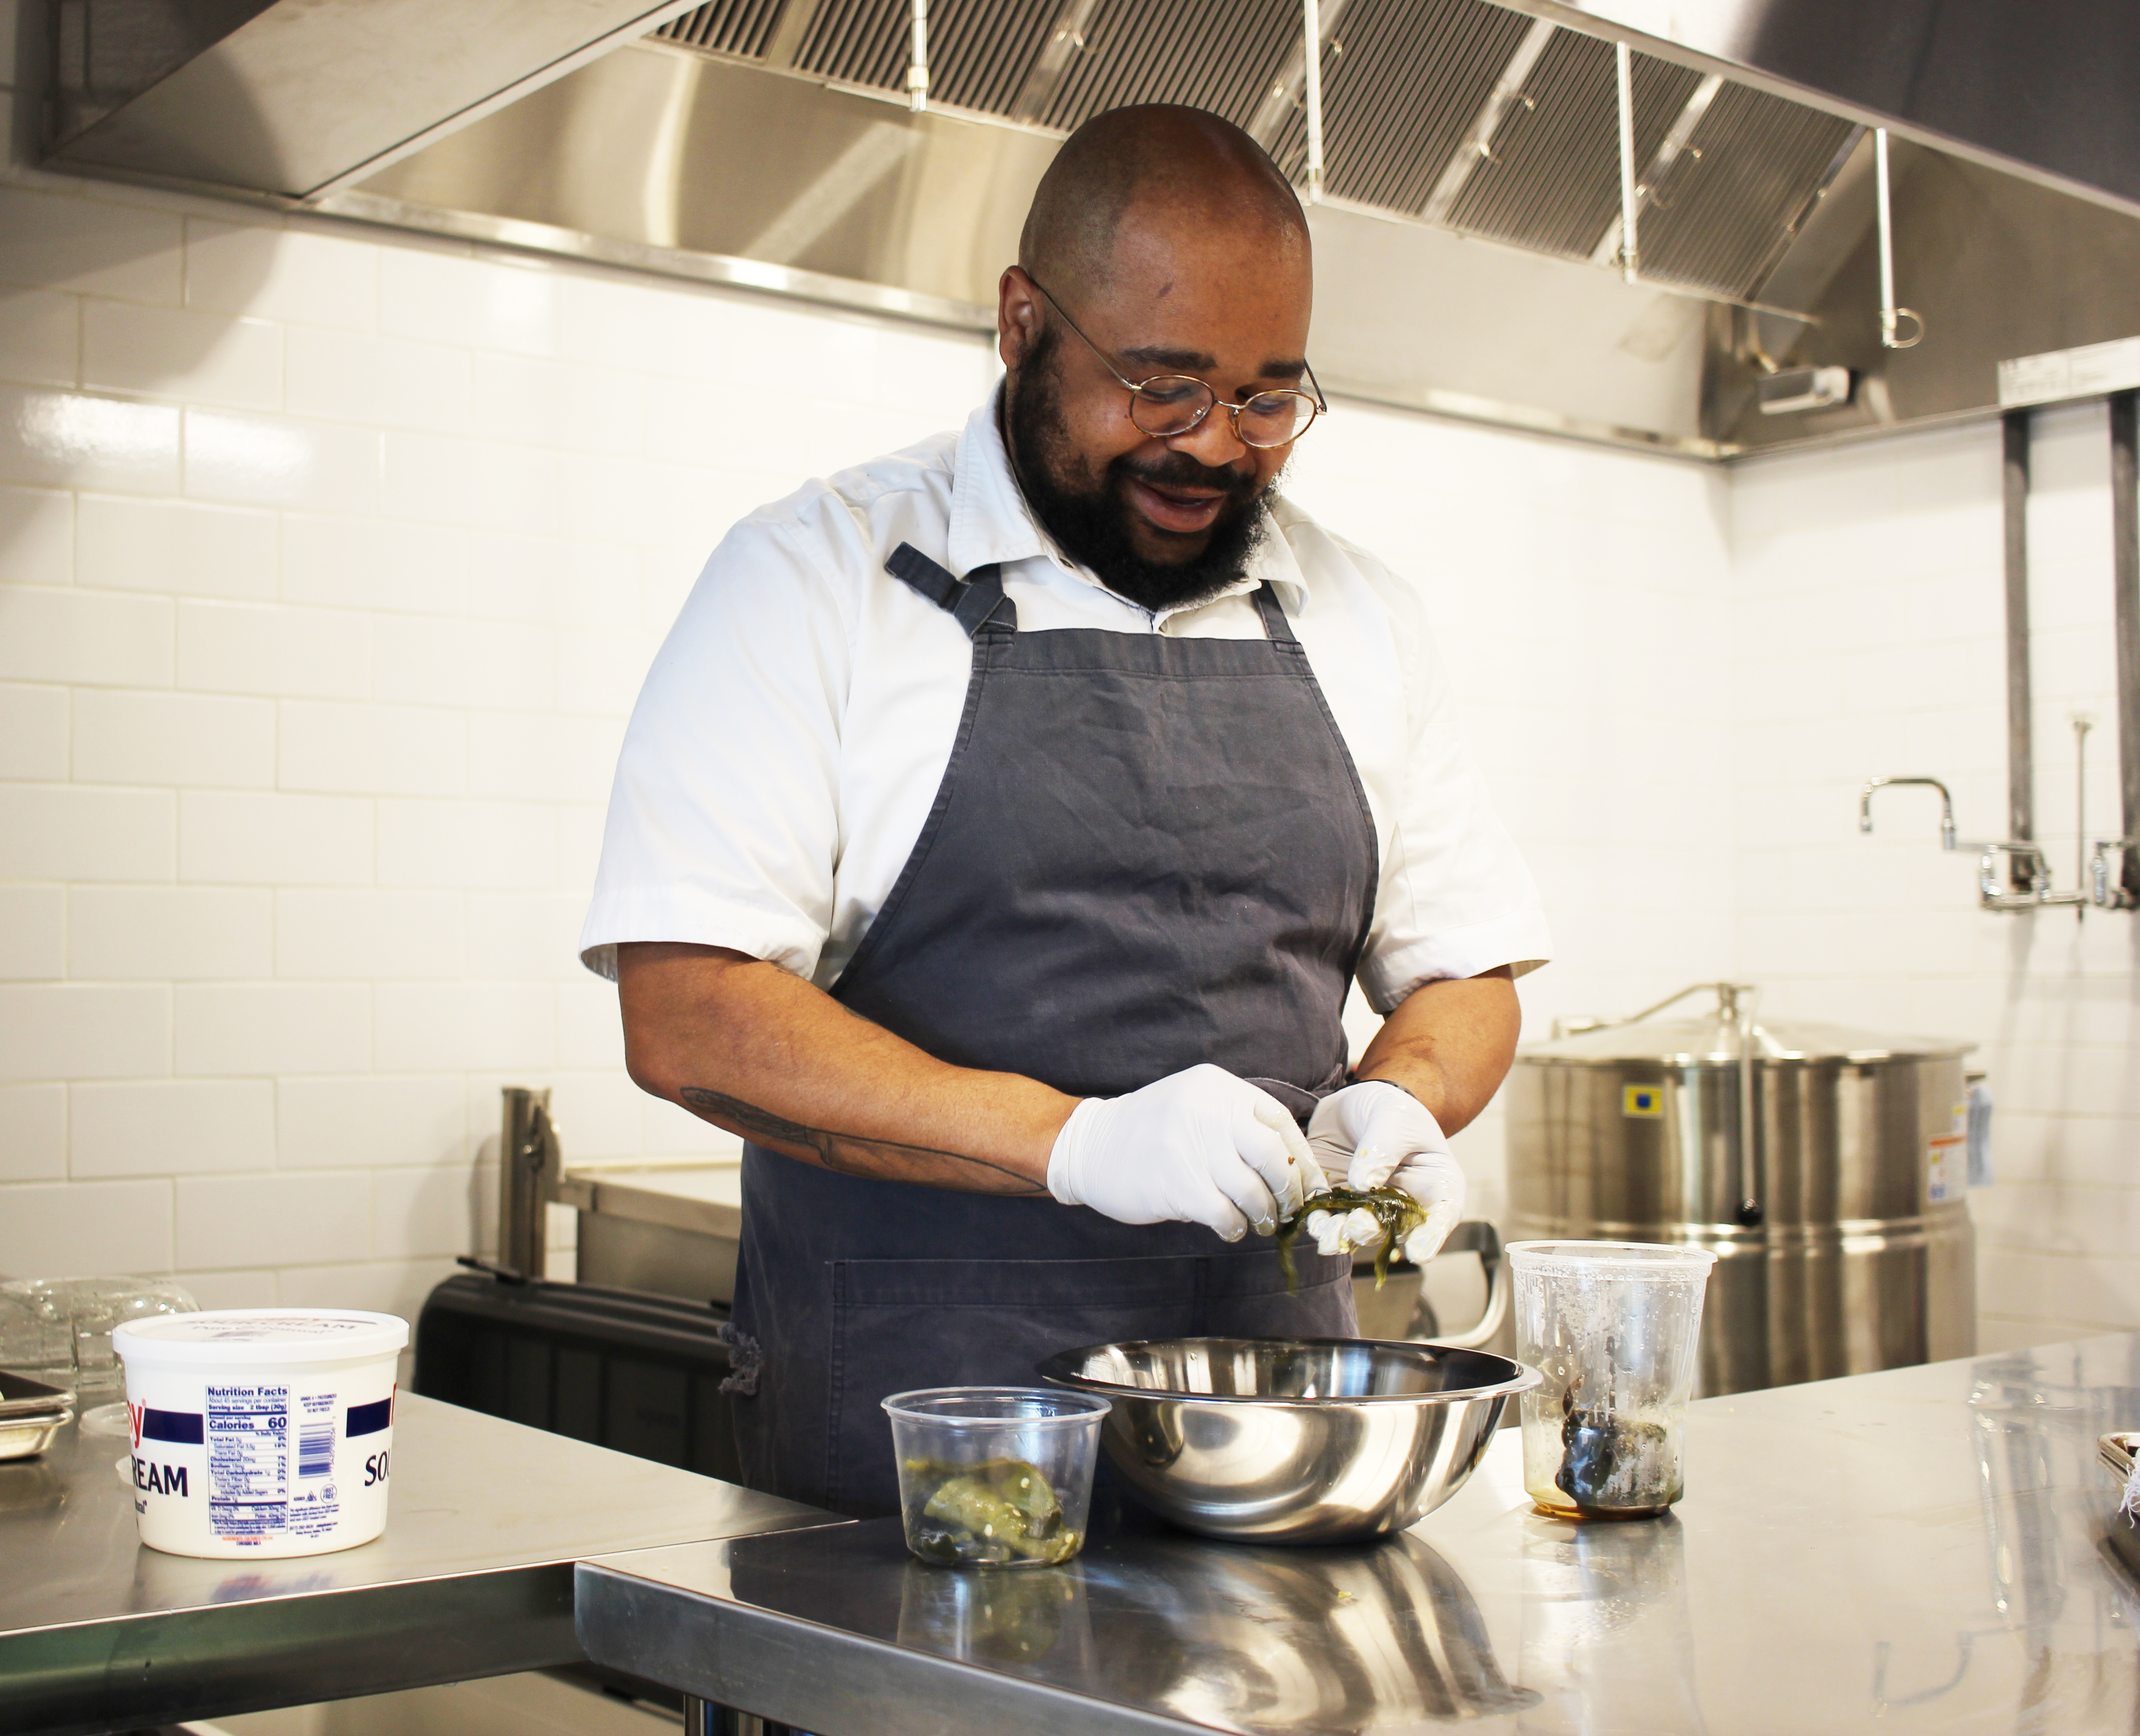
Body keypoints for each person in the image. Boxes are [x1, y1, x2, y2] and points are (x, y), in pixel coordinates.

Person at [581, 104, 1549, 1514]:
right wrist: (1075, 1144)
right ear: (1024, 324)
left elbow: (1466, 969)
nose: (1217, 445)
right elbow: (687, 1015)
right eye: (1162, 386)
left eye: (1269, 398)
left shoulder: (1359, 613)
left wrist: (1404, 1097)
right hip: (912, 1469)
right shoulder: (815, 579)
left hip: (1274, 1471)